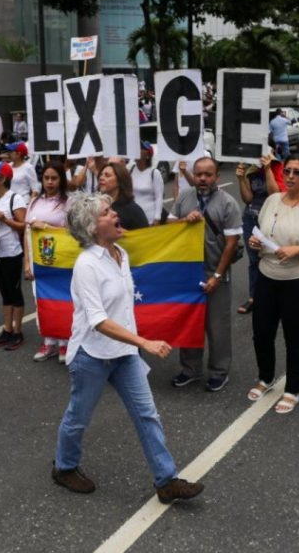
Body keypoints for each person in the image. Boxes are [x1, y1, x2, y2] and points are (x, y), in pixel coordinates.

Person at [51, 193, 204, 504]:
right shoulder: (86, 265)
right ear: (93, 227)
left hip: (124, 355)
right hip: (91, 356)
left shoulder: (120, 253)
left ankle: (166, 480)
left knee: (147, 414)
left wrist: (134, 345)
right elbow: (98, 320)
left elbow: (123, 308)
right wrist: (143, 342)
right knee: (78, 417)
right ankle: (64, 467)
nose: (115, 214)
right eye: (107, 212)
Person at [247, 154, 299, 413]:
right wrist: (255, 243)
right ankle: (266, 377)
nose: (291, 176)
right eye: (288, 171)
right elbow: (262, 233)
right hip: (267, 276)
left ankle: (293, 388)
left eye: (297, 172)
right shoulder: (273, 200)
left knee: (294, 336)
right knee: (262, 332)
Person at [169, 157, 242, 392]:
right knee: (190, 323)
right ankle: (190, 369)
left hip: (215, 273)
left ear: (217, 177)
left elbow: (231, 243)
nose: (202, 178)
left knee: (217, 326)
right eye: (199, 174)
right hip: (188, 273)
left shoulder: (228, 203)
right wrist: (184, 221)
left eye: (208, 174)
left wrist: (217, 277)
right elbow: (168, 230)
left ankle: (219, 372)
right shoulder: (184, 197)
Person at [24, 161, 70, 361]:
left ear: (61, 180)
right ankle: (49, 342)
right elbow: (27, 233)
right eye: (46, 178)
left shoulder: (68, 203)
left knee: (62, 301)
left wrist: (47, 227)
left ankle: (66, 343)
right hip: (39, 260)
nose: (50, 182)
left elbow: (73, 233)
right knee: (41, 301)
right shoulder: (34, 202)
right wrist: (27, 261)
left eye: (54, 178)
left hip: (60, 261)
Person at [0, 161, 28, 350]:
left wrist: (5, 220)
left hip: (11, 252)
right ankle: (7, 329)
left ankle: (18, 331)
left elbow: (23, 226)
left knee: (14, 293)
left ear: (3, 179)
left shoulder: (15, 199)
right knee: (4, 293)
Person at [235, 149, 282, 315]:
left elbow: (275, 195)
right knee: (254, 260)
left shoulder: (279, 168)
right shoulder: (251, 171)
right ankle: (253, 297)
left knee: (273, 257)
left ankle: (275, 297)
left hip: (271, 220)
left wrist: (268, 169)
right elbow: (247, 199)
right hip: (251, 219)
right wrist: (241, 179)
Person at [98, 162, 148, 230]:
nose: (101, 178)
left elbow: (145, 236)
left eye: (107, 175)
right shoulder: (97, 206)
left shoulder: (133, 210)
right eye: (101, 175)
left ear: (119, 181)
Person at [130, 141, 164, 225]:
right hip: (134, 219)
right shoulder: (131, 170)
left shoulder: (154, 173)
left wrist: (157, 218)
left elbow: (159, 197)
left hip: (150, 220)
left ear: (147, 155)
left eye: (141, 148)